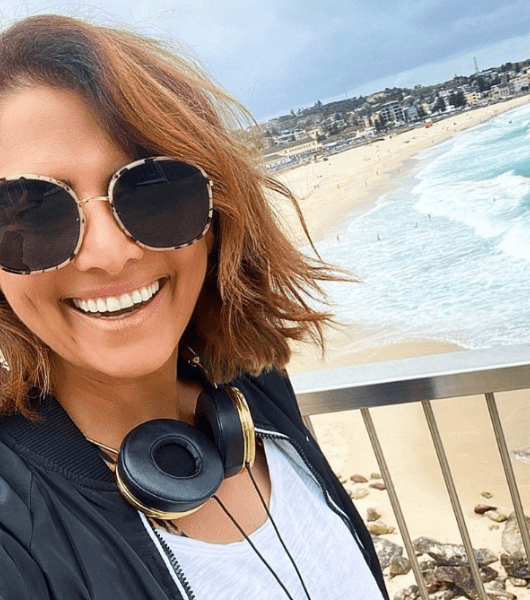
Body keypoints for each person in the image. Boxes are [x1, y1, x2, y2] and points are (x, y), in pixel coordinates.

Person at [0, 14, 388, 600]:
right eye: (33, 213)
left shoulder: (254, 391)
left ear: (215, 217)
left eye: (152, 189)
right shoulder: (13, 530)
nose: (108, 254)